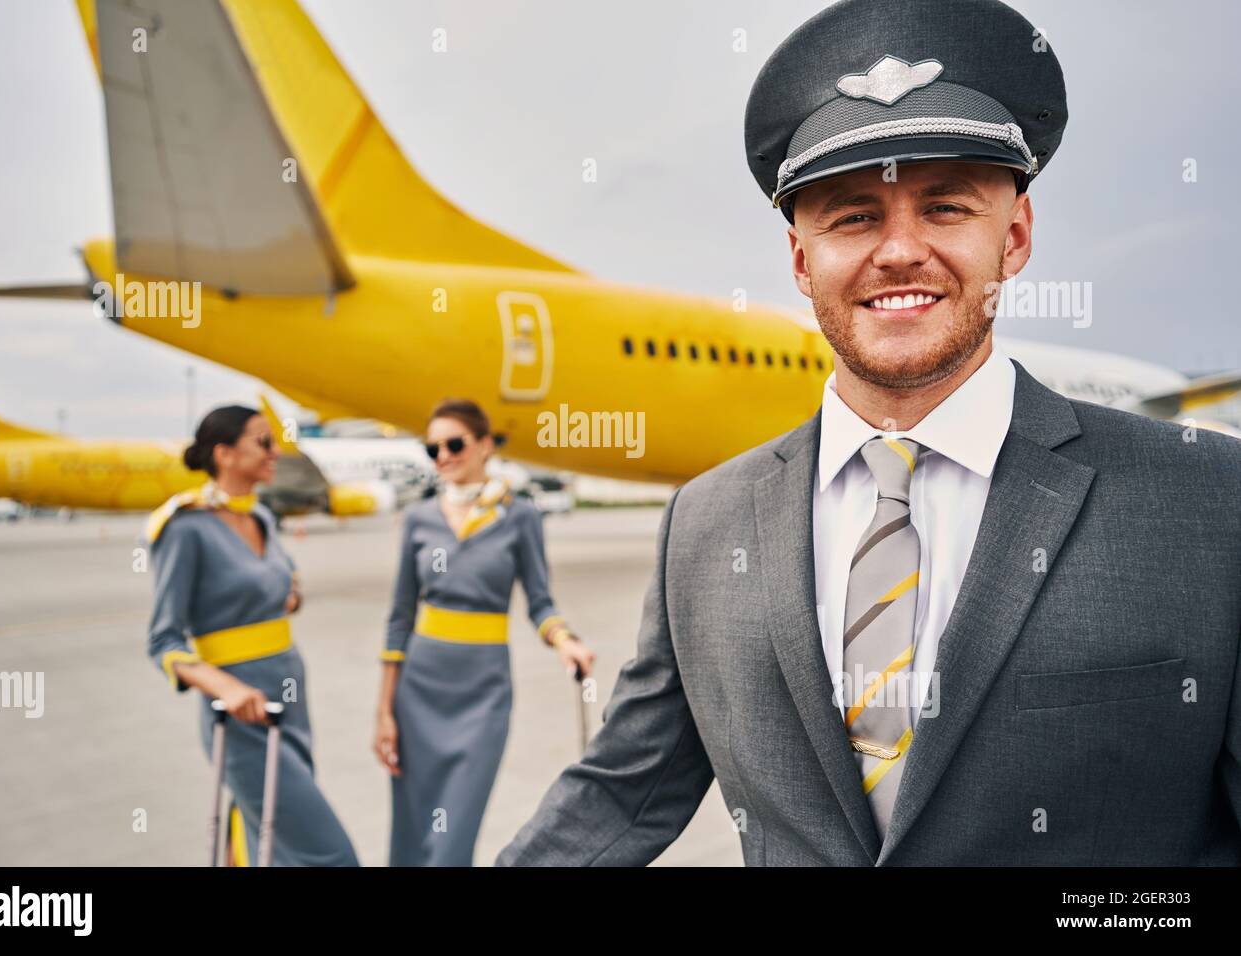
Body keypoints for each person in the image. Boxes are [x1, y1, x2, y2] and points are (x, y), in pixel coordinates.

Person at [496, 0, 1241, 865]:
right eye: (853, 215)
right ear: (802, 260)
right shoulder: (705, 524)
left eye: (947, 207)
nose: (898, 251)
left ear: (1017, 238)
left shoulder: (1210, 504)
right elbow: (623, 796)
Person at [374, 398, 596, 866]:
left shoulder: (520, 517)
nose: (443, 456)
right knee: (413, 829)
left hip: (483, 691)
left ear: (485, 446)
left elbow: (539, 601)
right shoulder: (418, 519)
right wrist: (385, 712)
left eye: (454, 444)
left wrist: (564, 639)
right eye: (432, 448)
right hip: (419, 688)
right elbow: (399, 617)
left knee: (456, 830)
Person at [146, 404, 359, 866]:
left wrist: (290, 594)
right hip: (242, 713)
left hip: (290, 693)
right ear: (224, 454)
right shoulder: (186, 527)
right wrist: (226, 687)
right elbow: (163, 641)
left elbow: (284, 582)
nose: (275, 451)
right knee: (328, 854)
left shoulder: (261, 517)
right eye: (263, 441)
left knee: (269, 839)